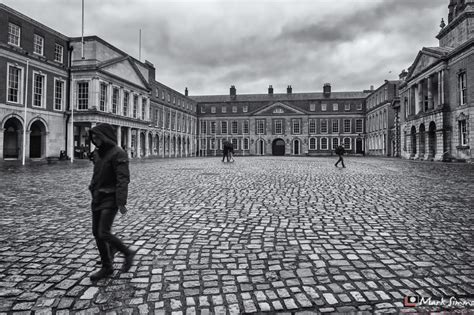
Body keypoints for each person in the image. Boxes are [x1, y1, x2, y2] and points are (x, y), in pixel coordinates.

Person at [88, 123, 135, 281]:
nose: (95, 140)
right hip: (97, 197)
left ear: (105, 136)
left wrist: (121, 203)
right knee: (97, 233)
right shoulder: (97, 153)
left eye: (97, 137)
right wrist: (93, 188)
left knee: (103, 232)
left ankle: (126, 253)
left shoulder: (118, 153)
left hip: (111, 197)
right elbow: (97, 173)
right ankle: (107, 263)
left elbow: (123, 179)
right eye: (93, 137)